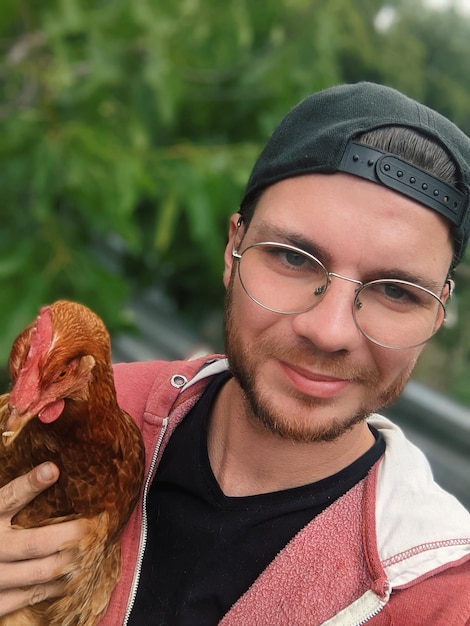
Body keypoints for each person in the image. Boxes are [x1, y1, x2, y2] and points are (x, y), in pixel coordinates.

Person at [1, 82, 470, 625]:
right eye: (294, 259)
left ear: (436, 317)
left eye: (395, 291)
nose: (328, 330)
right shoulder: (82, 422)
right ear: (233, 249)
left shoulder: (442, 597)